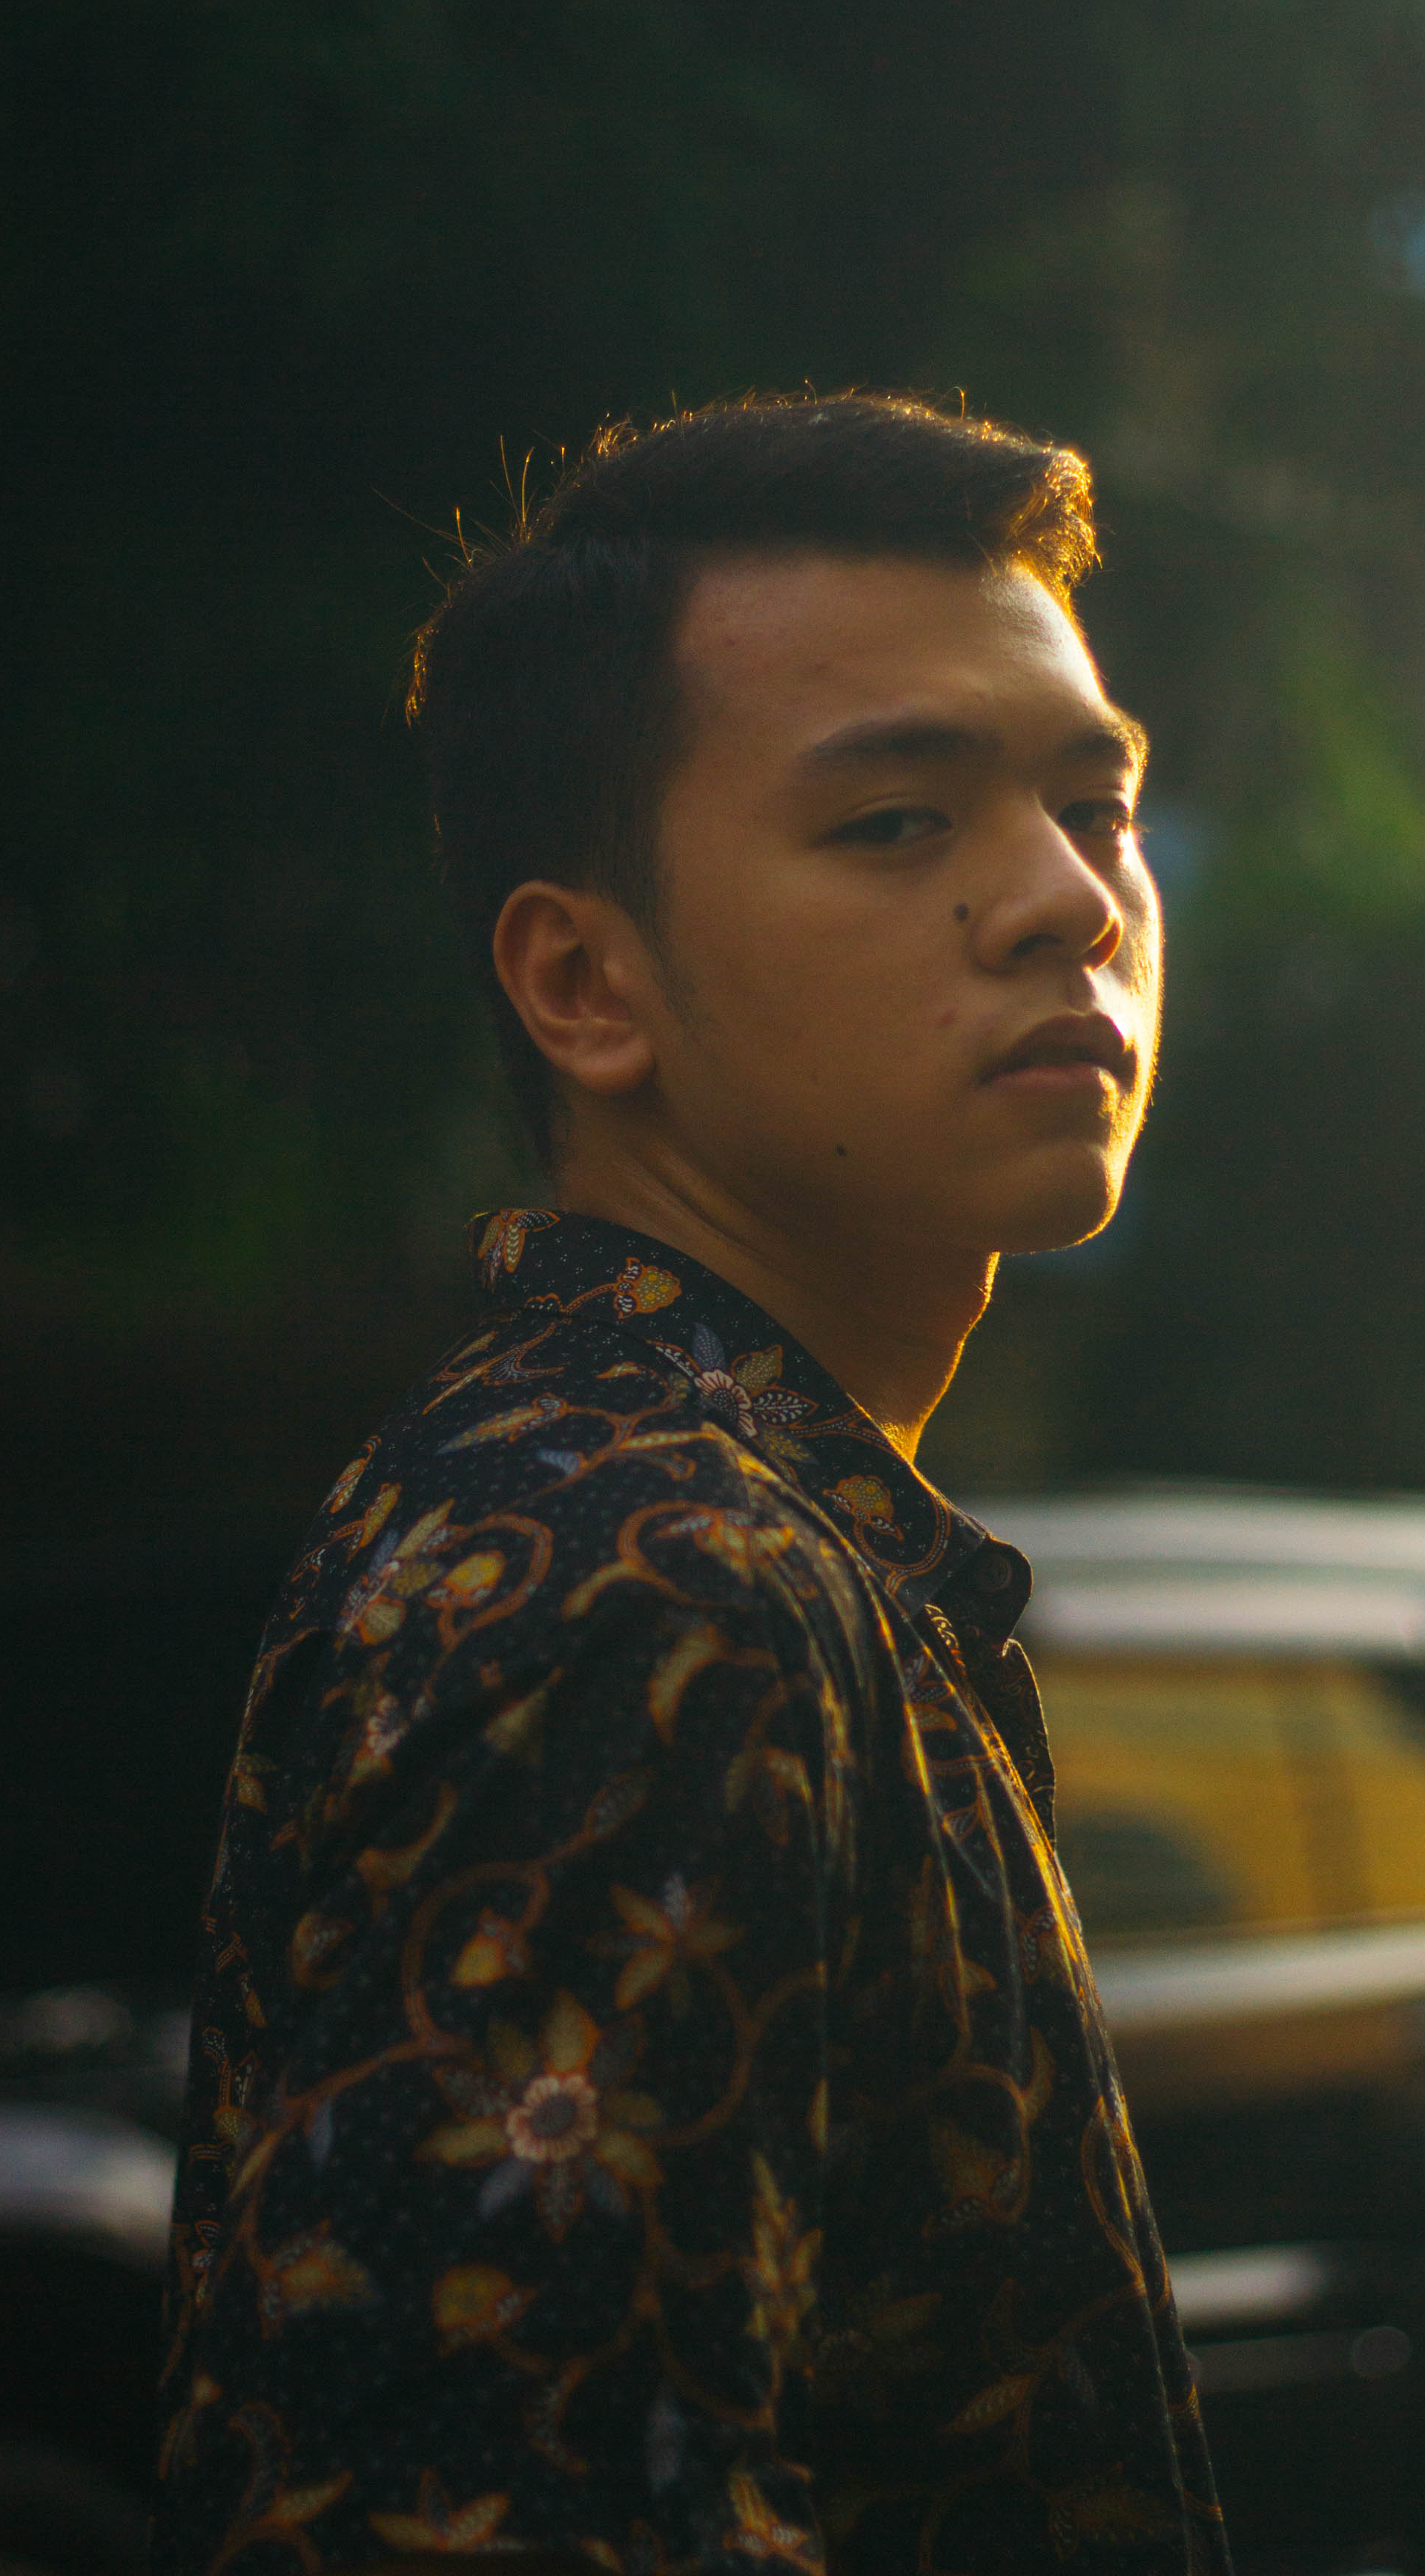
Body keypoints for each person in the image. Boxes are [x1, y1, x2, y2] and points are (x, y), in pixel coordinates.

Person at [151, 393, 1229, 2576]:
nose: (1063, 903)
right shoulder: (644, 1584)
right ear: (583, 983)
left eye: (1093, 801)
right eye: (897, 824)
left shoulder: (711, 1519)